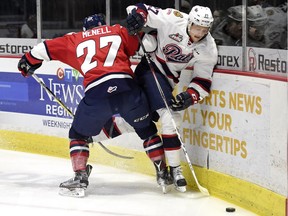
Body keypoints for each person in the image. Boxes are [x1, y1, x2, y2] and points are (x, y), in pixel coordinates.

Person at [17, 20, 162, 197]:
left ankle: (80, 178)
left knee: (78, 134)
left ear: (85, 29)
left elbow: (42, 49)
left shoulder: (75, 39)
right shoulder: (118, 30)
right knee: (147, 129)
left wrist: (27, 62)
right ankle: (163, 173)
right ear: (103, 25)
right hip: (128, 89)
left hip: (97, 94)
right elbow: (150, 44)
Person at [125, 4, 218, 192]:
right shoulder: (173, 18)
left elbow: (202, 80)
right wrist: (138, 17)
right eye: (196, 27)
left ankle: (86, 137)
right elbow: (137, 8)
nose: (199, 33)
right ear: (189, 22)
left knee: (138, 119)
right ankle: (176, 170)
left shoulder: (208, 48)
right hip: (150, 69)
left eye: (204, 29)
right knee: (171, 117)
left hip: (168, 81)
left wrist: (190, 96)